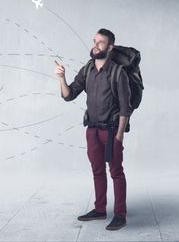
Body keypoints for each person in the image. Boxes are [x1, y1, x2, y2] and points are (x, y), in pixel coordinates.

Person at [55, 28, 132, 231]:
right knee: (97, 170)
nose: (95, 45)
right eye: (95, 41)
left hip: (112, 130)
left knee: (116, 172)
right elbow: (69, 95)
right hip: (92, 130)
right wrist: (61, 77)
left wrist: (119, 136)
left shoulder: (118, 72)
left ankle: (120, 215)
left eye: (101, 42)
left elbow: (126, 108)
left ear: (110, 47)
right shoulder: (87, 69)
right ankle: (100, 210)